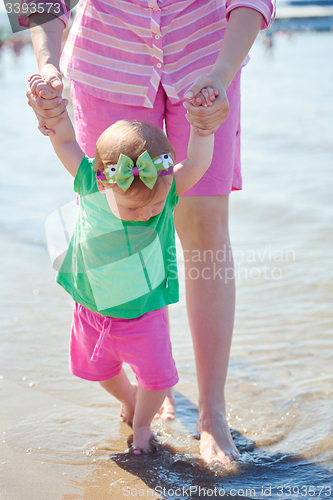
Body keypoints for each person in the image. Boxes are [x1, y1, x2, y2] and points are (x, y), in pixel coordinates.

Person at [23, 0, 275, 464]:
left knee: (204, 228)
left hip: (206, 58)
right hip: (107, 58)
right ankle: (146, 380)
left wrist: (222, 71)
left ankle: (211, 413)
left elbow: (195, 165)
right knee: (110, 220)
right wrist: (47, 67)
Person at [28, 73, 216, 454]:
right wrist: (54, 104)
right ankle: (129, 401)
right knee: (96, 371)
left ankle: (144, 424)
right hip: (91, 311)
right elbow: (65, 139)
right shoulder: (90, 182)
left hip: (144, 313)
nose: (149, 213)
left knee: (159, 379)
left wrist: (202, 124)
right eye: (135, 207)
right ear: (103, 182)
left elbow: (196, 162)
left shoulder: (164, 189)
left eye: (157, 205)